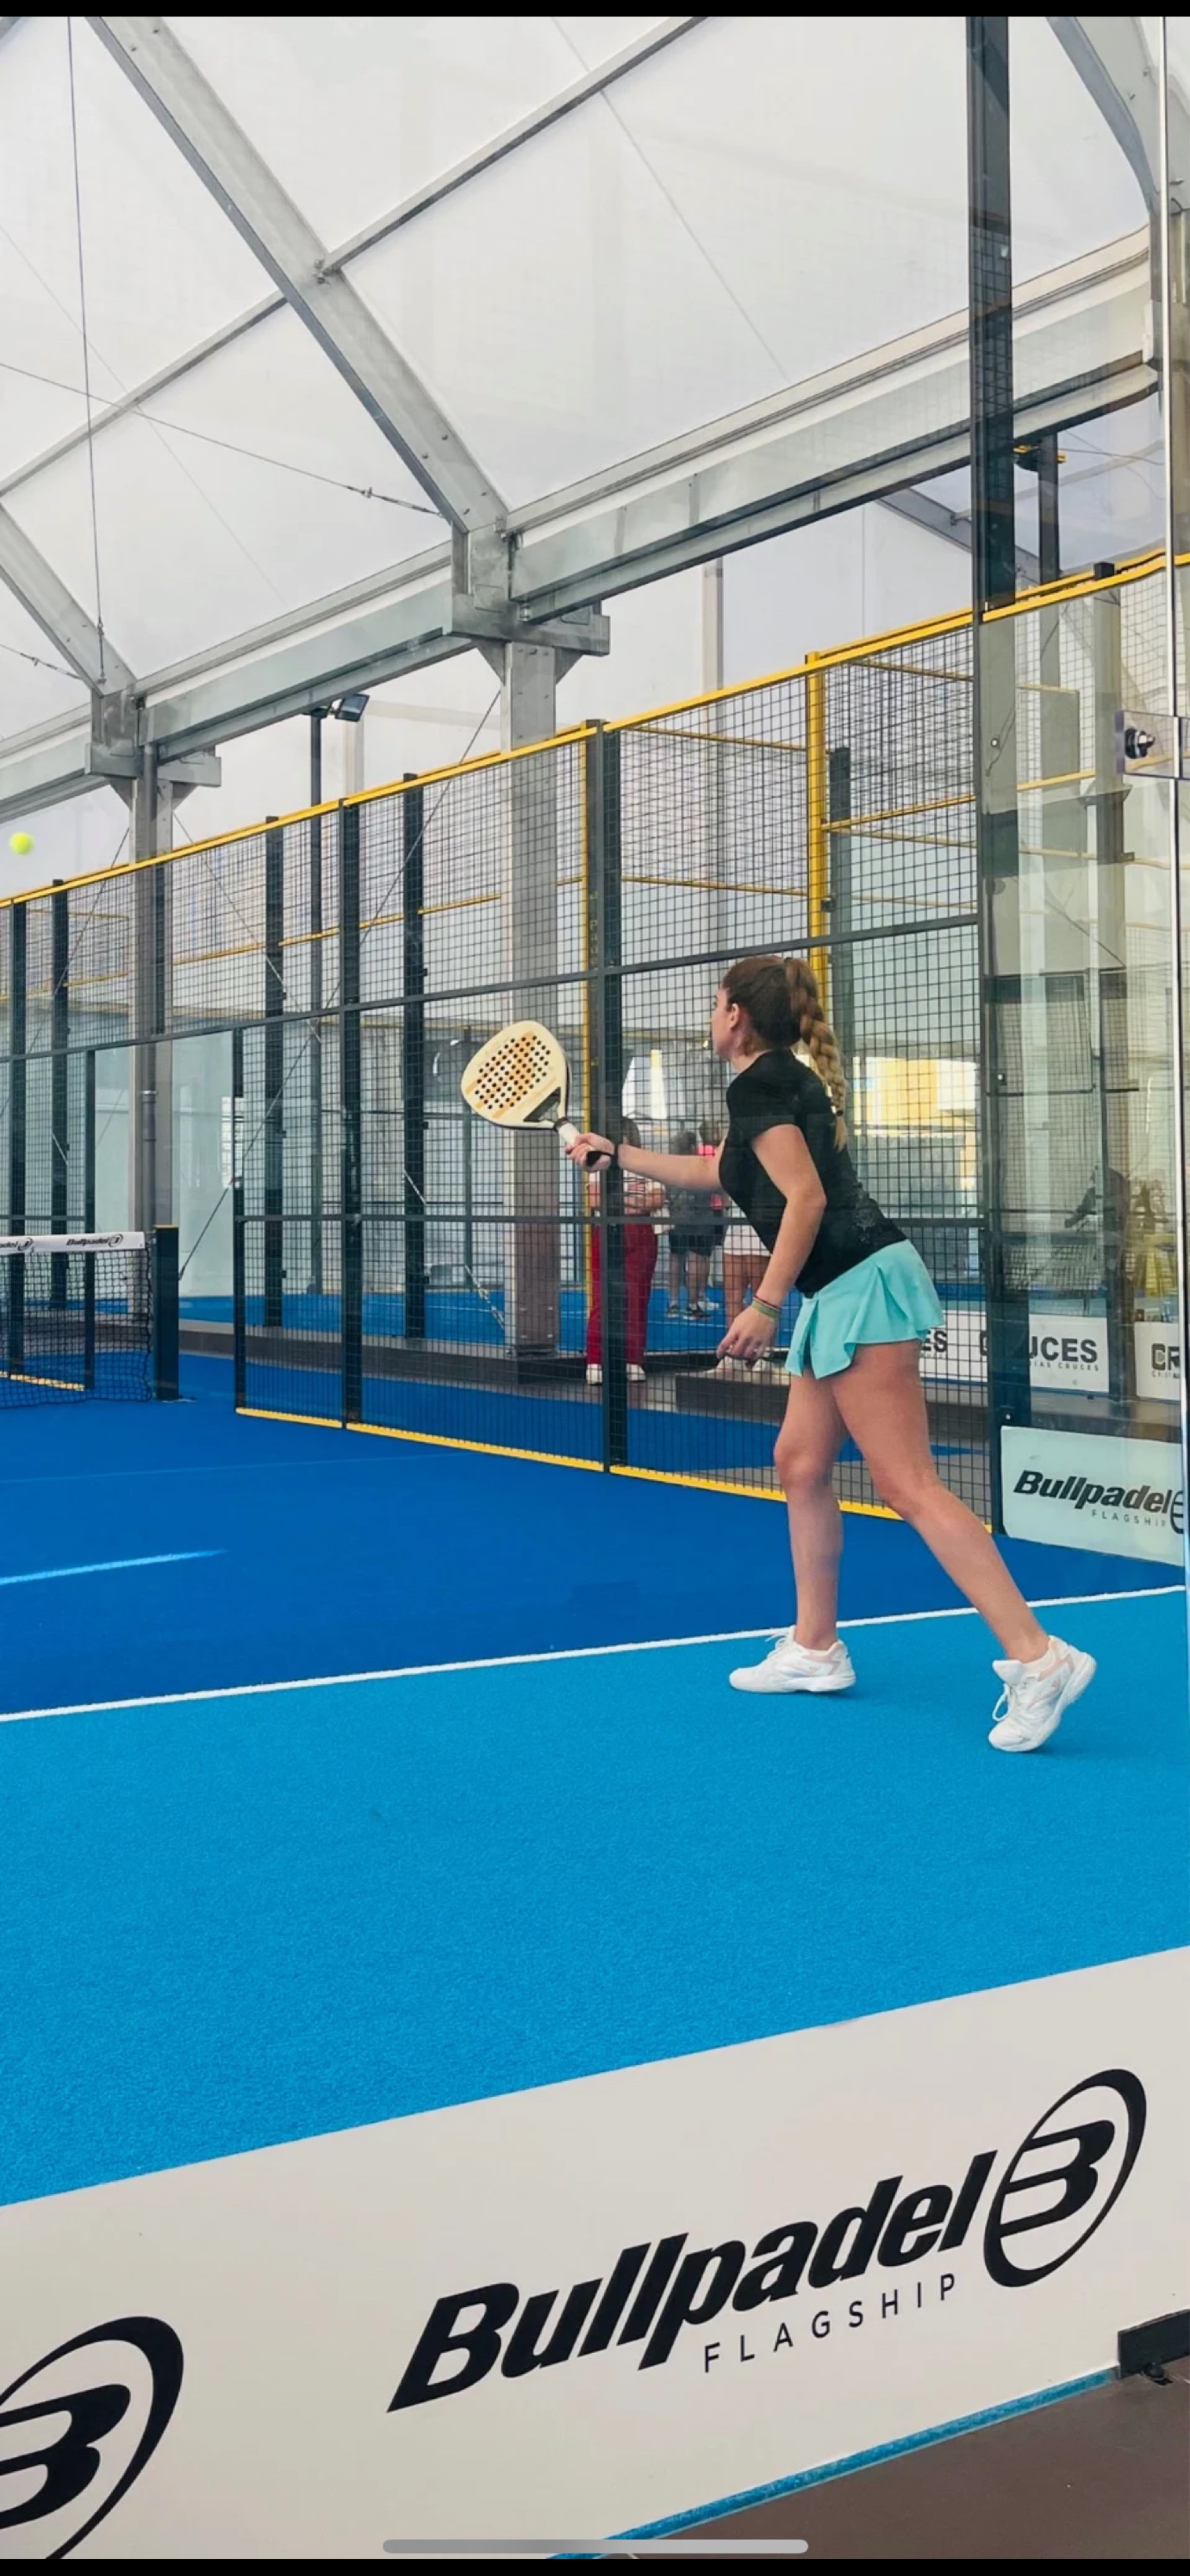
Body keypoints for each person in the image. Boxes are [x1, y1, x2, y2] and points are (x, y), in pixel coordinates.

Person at [566, 954, 1096, 1753]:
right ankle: (816, 1648)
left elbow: (806, 1199)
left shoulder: (759, 1087)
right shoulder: (774, 1082)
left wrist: (763, 1303)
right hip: (842, 1287)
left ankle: (1039, 1658)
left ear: (736, 1015)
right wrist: (620, 1154)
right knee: (802, 1462)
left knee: (909, 1484)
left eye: (715, 1003)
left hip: (857, 1284)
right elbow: (724, 1174)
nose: (711, 1015)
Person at [585, 1116, 663, 1386]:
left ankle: (633, 1359)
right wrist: (634, 1202)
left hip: (641, 1231)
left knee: (637, 1296)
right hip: (608, 1230)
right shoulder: (599, 1162)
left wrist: (620, 1203)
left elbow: (656, 1199)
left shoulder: (646, 1162)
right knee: (603, 1297)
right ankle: (596, 1360)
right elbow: (596, 1200)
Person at [665, 1130, 715, 1317]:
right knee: (695, 1259)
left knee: (676, 1257)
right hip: (699, 1217)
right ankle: (693, 1304)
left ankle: (673, 1303)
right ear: (693, 1146)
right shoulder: (700, 1165)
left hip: (677, 1217)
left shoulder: (671, 1167)